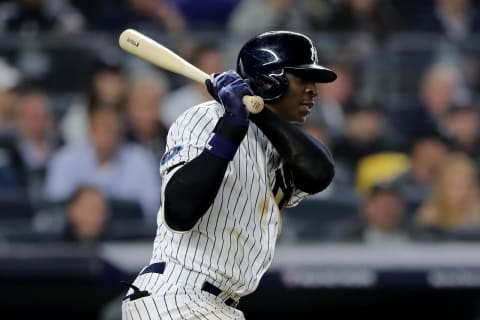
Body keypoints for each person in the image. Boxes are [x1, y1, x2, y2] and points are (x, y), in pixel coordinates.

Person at [121, 31, 336, 320]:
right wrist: (229, 129)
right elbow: (179, 212)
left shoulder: (280, 144)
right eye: (303, 78)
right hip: (176, 297)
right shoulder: (206, 118)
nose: (314, 89)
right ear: (271, 80)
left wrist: (257, 112)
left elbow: (320, 173)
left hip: (217, 307)